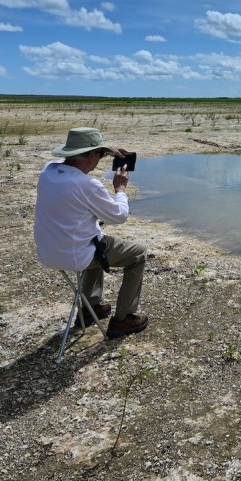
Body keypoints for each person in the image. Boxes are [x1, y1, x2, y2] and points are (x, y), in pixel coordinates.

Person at [34, 127, 148, 339]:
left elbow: (76, 166)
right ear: (90, 156)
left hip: (48, 251)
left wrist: (106, 151)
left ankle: (90, 308)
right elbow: (119, 216)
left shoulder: (47, 170)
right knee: (138, 253)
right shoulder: (87, 185)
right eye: (98, 155)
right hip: (74, 255)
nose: (99, 160)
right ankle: (124, 319)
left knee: (95, 237)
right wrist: (120, 190)